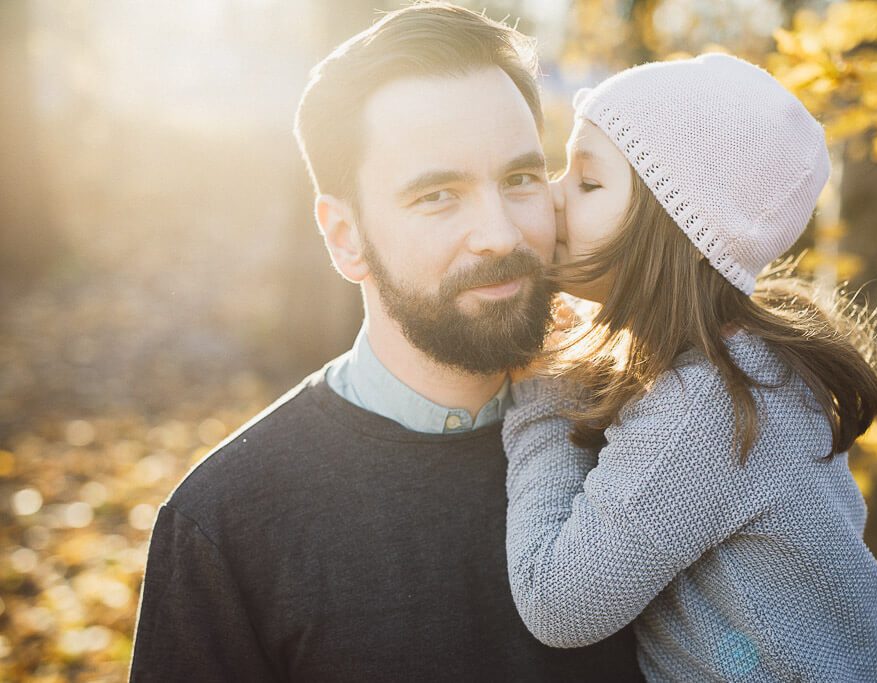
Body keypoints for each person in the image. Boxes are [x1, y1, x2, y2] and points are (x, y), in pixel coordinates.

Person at [129, 4, 644, 681]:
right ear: (344, 236)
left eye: (520, 178)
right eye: (438, 195)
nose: (501, 233)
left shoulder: (655, 436)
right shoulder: (226, 522)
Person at [502, 54, 877, 681]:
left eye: (588, 183)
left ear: (670, 231)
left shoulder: (711, 405)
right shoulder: (743, 365)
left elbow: (557, 600)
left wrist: (540, 390)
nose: (555, 195)